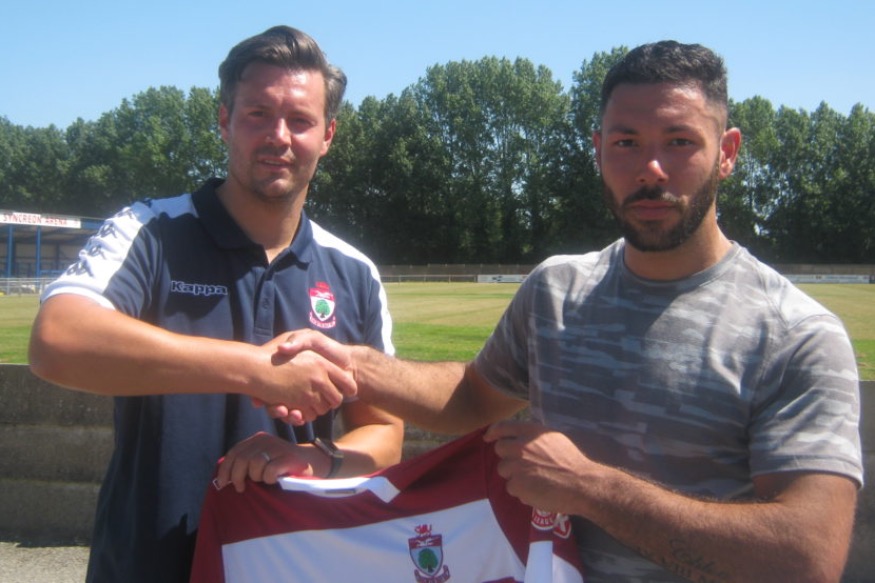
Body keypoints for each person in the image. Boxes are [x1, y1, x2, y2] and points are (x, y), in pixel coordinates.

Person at [249, 41, 864, 583]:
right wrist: (352, 364)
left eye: (680, 142)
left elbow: (807, 560)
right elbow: (470, 397)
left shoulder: (794, 335)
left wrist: (590, 488)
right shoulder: (558, 290)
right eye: (626, 142)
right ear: (598, 150)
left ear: (727, 152)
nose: (650, 169)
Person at [28, 25, 402, 583]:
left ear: (328, 135)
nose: (278, 136)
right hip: (146, 567)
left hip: (292, 567)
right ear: (224, 120)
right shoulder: (150, 230)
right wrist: (256, 369)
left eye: (300, 120)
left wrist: (317, 458)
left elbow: (385, 434)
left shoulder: (353, 272)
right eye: (257, 114)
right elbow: (56, 340)